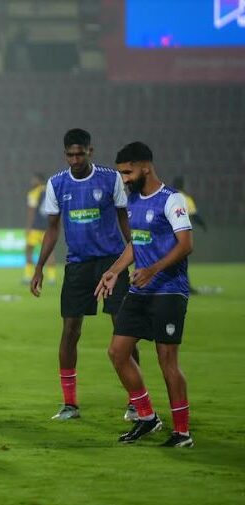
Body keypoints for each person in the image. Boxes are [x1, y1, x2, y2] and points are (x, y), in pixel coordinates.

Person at [30, 128, 139, 421]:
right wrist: (39, 267)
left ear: (90, 151)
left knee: (123, 331)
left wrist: (137, 256)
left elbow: (124, 218)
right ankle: (70, 404)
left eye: (80, 154)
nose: (75, 159)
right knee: (70, 331)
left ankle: (135, 403)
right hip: (78, 265)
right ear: (65, 154)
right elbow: (52, 228)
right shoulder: (57, 183)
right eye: (70, 155)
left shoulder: (111, 179)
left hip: (112, 263)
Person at [96, 141, 194, 447]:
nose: (124, 179)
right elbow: (135, 243)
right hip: (140, 290)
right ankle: (148, 417)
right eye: (122, 174)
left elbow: (186, 244)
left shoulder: (171, 199)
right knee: (117, 352)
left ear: (145, 168)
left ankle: (182, 433)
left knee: (167, 360)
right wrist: (114, 270)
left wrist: (153, 269)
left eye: (128, 172)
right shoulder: (134, 200)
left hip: (169, 290)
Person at [23, 173, 56, 285]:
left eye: (34, 179)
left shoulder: (34, 193)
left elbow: (31, 211)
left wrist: (28, 226)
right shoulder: (50, 191)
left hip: (36, 228)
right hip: (48, 228)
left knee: (29, 250)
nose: (32, 182)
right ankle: (52, 277)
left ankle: (28, 276)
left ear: (39, 180)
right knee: (49, 252)